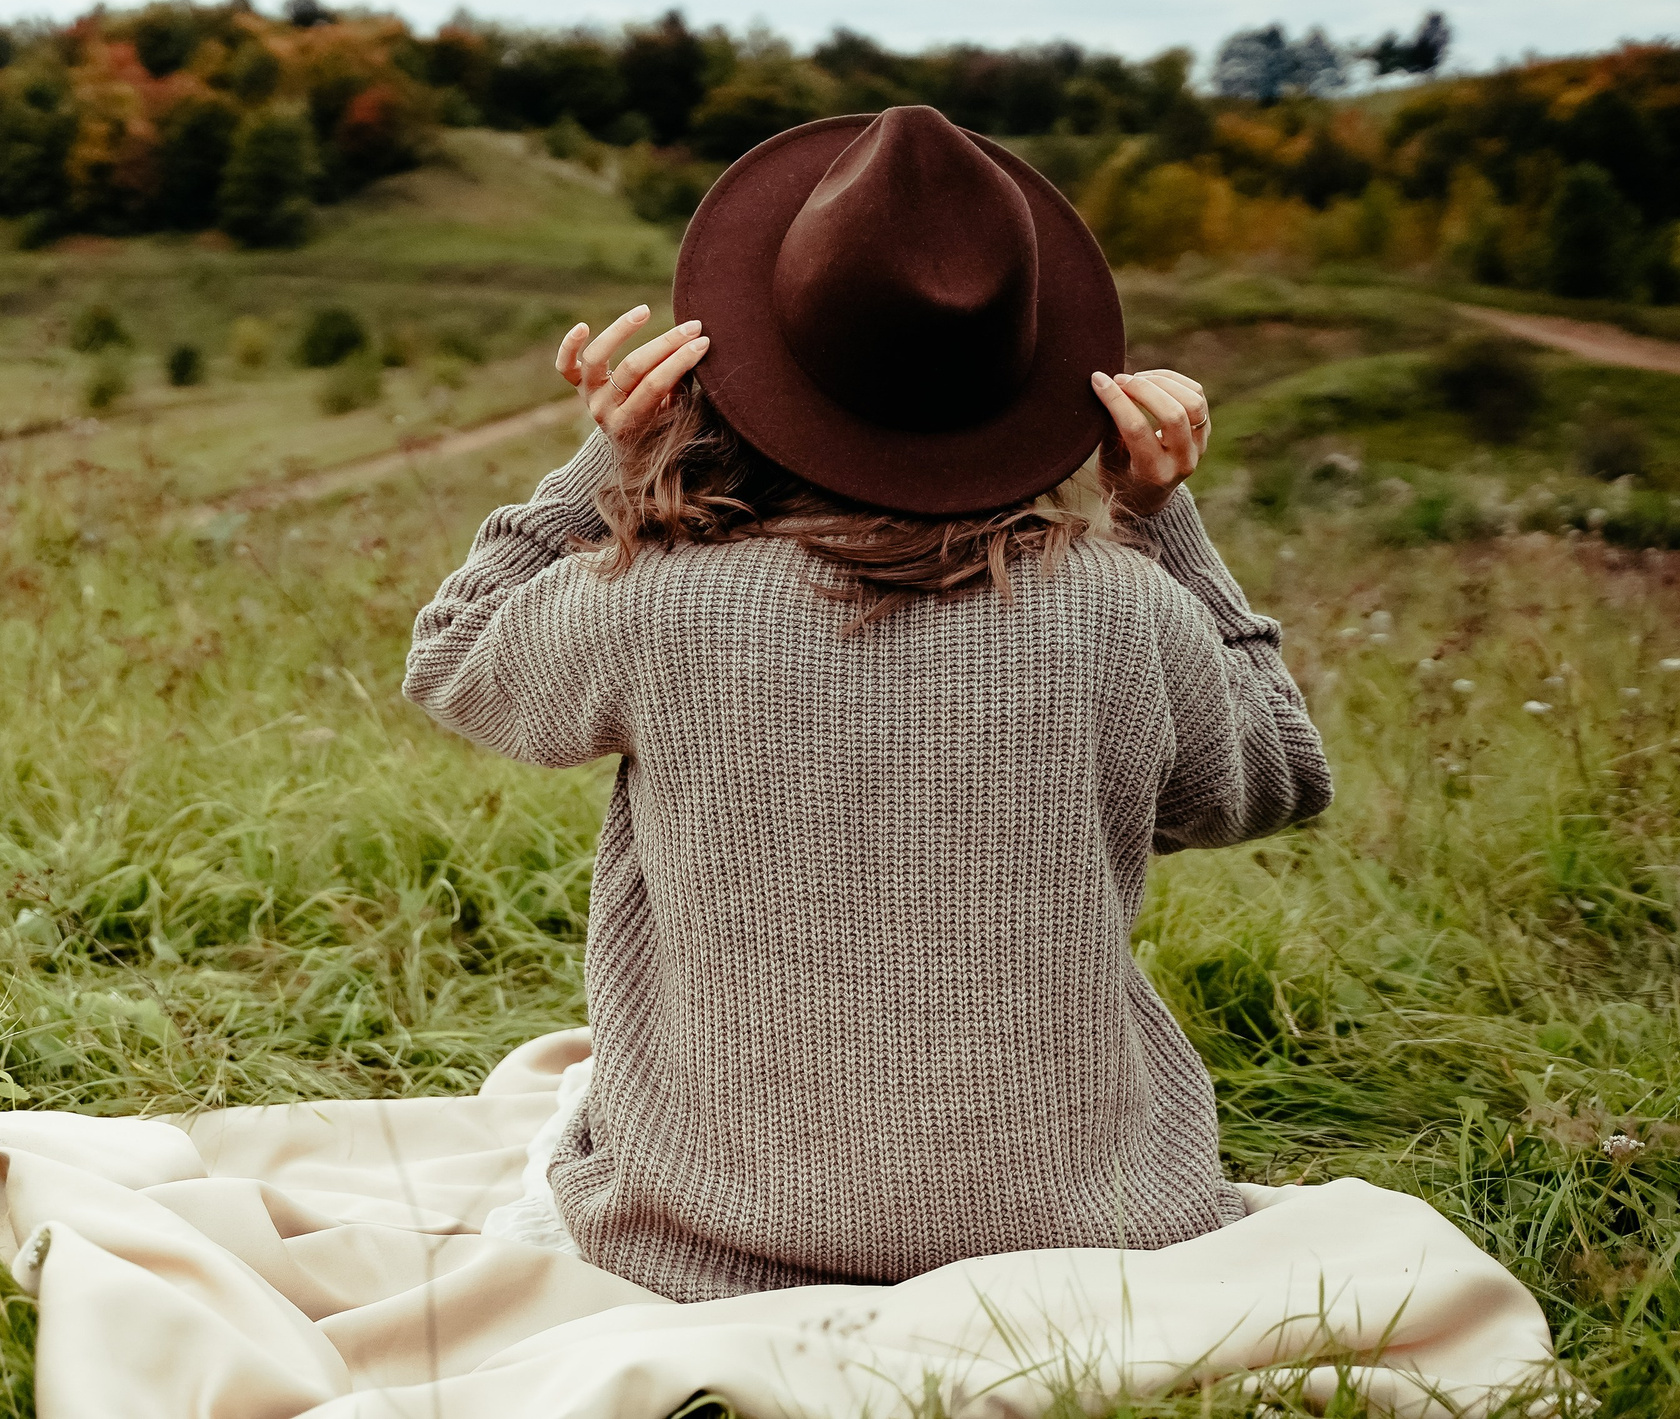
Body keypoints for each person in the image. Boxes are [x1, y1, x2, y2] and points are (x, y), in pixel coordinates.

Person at [403, 105, 1333, 1303]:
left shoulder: (650, 600)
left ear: (745, 363)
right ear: (1034, 379)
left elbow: (452, 655)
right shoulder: (1124, 608)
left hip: (712, 1225)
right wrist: (1163, 522)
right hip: (1081, 1224)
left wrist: (610, 464)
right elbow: (1281, 778)